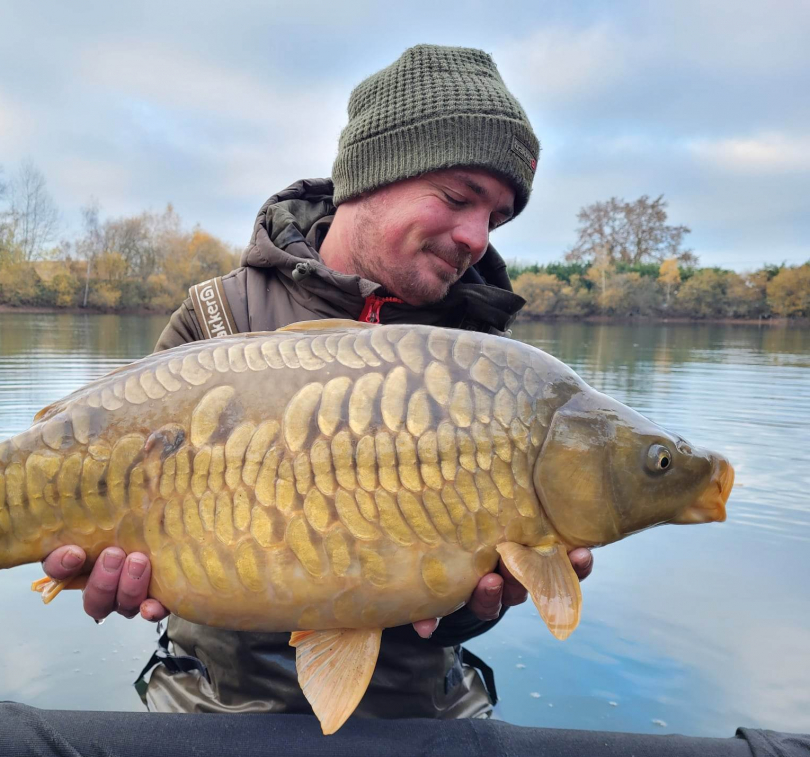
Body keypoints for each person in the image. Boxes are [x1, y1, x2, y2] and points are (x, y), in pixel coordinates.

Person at [42, 44, 593, 720]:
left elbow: (468, 594)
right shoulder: (217, 319)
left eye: (497, 218)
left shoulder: (489, 370)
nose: (477, 237)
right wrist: (108, 570)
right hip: (214, 698)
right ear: (370, 177)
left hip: (421, 707)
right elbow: (126, 530)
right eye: (458, 199)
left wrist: (472, 608)